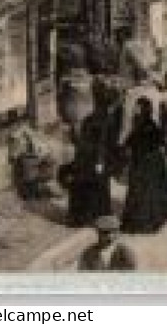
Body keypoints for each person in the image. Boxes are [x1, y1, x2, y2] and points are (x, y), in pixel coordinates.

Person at [118, 97, 167, 234]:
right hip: (144, 162)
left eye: (138, 107)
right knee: (142, 193)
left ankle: (143, 224)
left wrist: (126, 147)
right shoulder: (141, 123)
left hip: (148, 164)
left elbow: (152, 142)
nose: (135, 109)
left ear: (144, 109)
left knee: (144, 194)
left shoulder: (148, 125)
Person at [65, 88, 116, 228]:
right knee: (98, 187)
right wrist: (100, 161)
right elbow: (102, 143)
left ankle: (83, 217)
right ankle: (96, 216)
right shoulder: (106, 119)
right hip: (95, 158)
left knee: (86, 186)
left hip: (87, 157)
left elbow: (88, 140)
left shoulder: (92, 118)